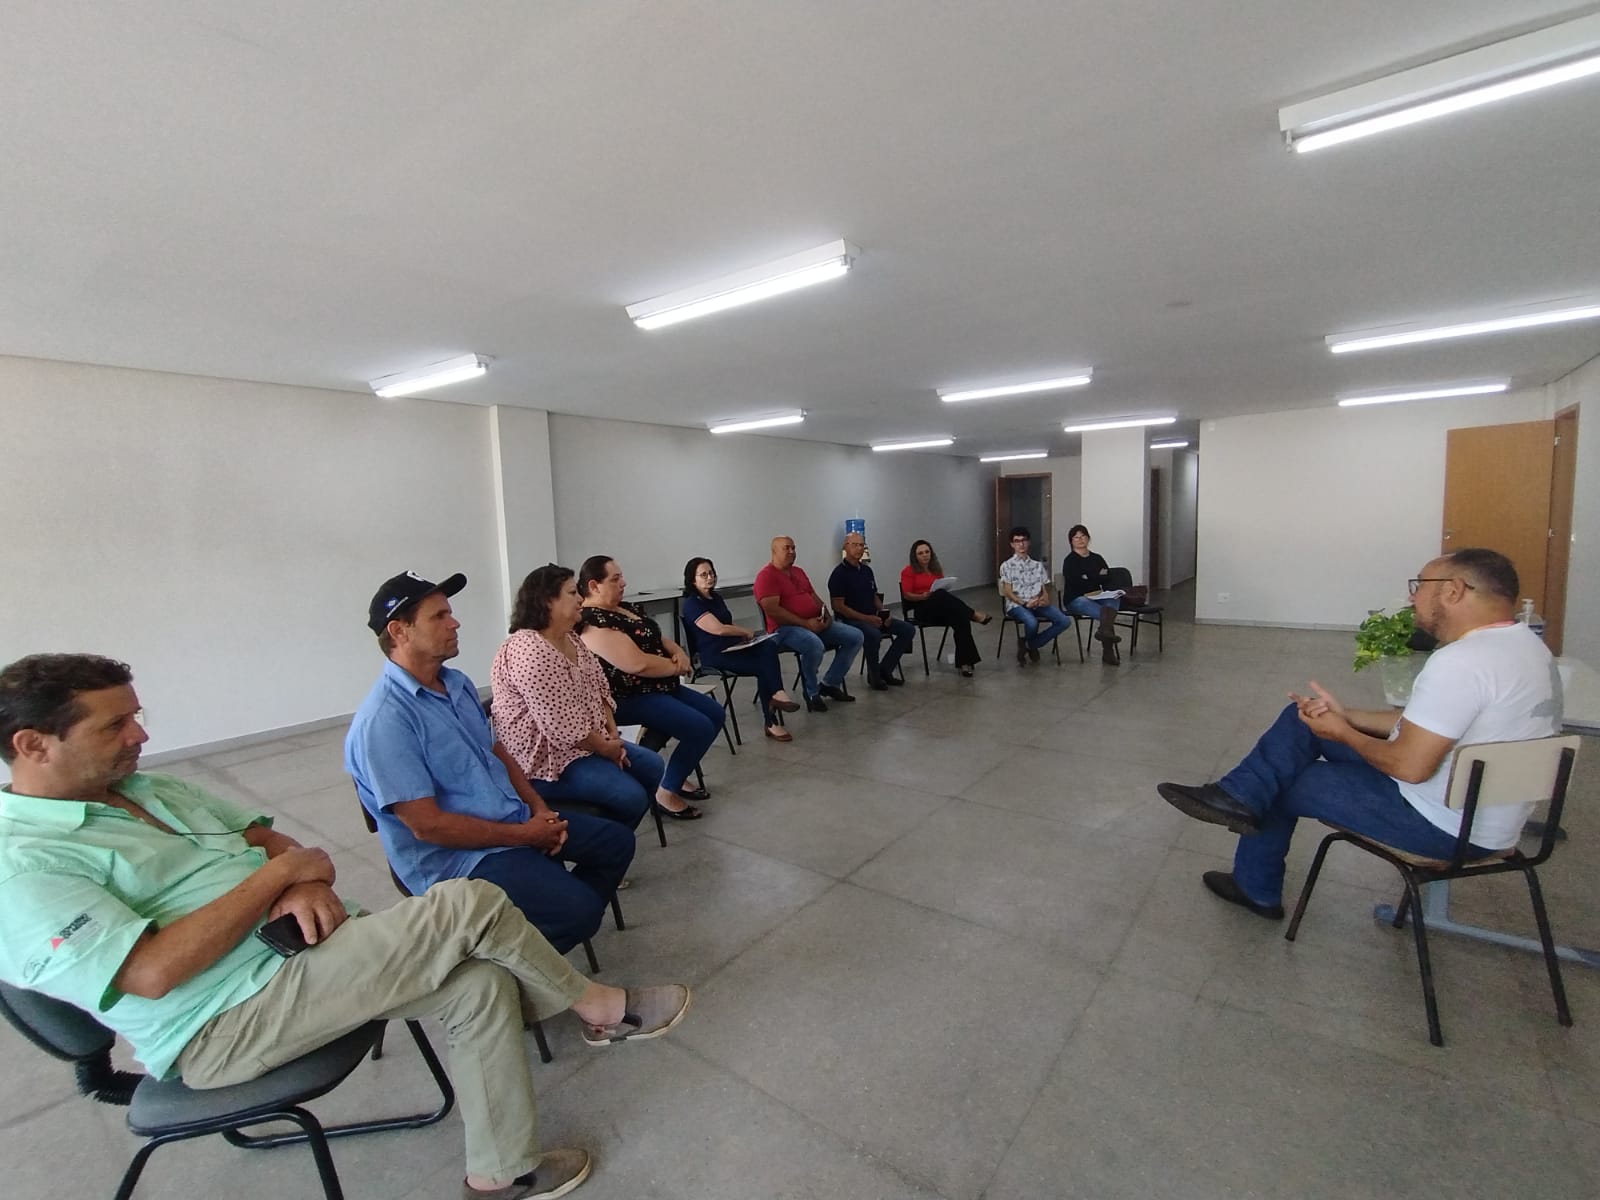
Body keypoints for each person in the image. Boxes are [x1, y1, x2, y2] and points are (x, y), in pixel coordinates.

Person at [0, 652, 692, 1200]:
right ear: (33, 745)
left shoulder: (147, 787)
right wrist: (277, 878)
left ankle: (500, 1174)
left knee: (478, 984)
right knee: (468, 904)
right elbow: (151, 972)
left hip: (301, 957)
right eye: (114, 726)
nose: (141, 734)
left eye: (135, 715)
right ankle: (599, 1009)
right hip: (223, 1021)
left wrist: (299, 879)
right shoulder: (24, 865)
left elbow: (271, 841)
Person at [1158, 548, 1563, 920]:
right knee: (1300, 720)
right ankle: (1236, 795)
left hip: (1445, 826)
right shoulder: (1526, 648)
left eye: (1420, 585)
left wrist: (1343, 733)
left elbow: (1410, 766)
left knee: (1283, 780)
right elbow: (1425, 726)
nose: (1412, 597)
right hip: (1483, 812)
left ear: (1453, 590)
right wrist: (1345, 716)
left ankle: (1254, 885)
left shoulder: (1462, 663)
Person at [346, 570, 635, 957]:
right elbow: (428, 826)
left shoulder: (456, 684)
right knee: (579, 912)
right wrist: (527, 836)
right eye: (439, 616)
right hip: (457, 860)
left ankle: (525, 942)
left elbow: (497, 751)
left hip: (511, 820)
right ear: (399, 631)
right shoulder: (385, 721)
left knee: (617, 843)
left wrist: (539, 810)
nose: (455, 623)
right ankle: (494, 954)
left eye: (450, 612)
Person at [491, 565, 665, 828]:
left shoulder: (570, 638)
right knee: (630, 796)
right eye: (572, 593)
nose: (581, 599)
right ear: (547, 601)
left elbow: (600, 688)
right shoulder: (529, 650)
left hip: (586, 742)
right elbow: (562, 727)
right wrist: (606, 748)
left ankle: (610, 836)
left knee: (652, 766)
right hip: (546, 760)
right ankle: (604, 840)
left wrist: (612, 735)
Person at [577, 555, 725, 818]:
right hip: (629, 696)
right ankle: (664, 792)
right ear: (593, 585)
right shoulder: (592, 622)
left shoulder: (625, 608)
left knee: (715, 713)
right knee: (699, 728)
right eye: (615, 579)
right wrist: (676, 667)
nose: (623, 583)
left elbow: (657, 636)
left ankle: (675, 776)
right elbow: (637, 664)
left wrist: (678, 652)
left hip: (659, 686)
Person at [680, 556, 802, 742]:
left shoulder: (716, 598)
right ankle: (772, 718)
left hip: (732, 647)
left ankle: (777, 695)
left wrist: (745, 636)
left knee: (769, 646)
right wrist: (743, 631)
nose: (709, 577)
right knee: (763, 666)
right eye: (703, 575)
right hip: (714, 655)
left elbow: (727, 623)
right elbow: (718, 629)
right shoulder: (692, 604)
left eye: (711, 573)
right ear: (692, 580)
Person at [753, 535, 864, 711]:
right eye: (787, 548)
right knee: (814, 645)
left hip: (813, 623)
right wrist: (805, 624)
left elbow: (813, 596)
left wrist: (826, 615)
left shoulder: (798, 572)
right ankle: (812, 692)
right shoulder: (766, 576)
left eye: (793, 548)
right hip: (784, 630)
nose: (792, 551)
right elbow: (773, 610)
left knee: (855, 636)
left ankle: (829, 684)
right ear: (774, 551)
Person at [828, 532, 915, 690]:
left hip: (872, 617)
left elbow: (874, 595)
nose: (859, 548)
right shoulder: (839, 574)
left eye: (861, 545)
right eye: (855, 545)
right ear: (845, 547)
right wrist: (866, 619)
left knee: (907, 629)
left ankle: (885, 669)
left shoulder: (867, 571)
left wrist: (884, 612)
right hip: (851, 620)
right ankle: (874, 676)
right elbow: (838, 606)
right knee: (873, 634)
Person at [899, 539, 991, 677]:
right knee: (941, 595)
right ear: (915, 556)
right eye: (920, 553)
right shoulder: (908, 571)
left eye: (927, 552)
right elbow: (907, 595)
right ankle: (973, 614)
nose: (925, 555)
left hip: (939, 608)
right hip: (922, 609)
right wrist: (922, 596)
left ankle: (964, 663)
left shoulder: (935, 569)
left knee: (961, 618)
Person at [997, 526, 1071, 666]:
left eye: (1024, 540)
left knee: (1064, 621)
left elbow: (1044, 587)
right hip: (1017, 605)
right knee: (1031, 622)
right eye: (1017, 541)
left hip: (1037, 602)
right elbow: (1008, 591)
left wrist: (1045, 598)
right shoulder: (1006, 566)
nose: (1021, 544)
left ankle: (1029, 644)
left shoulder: (1037, 565)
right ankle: (1032, 646)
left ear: (1028, 542)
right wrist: (1024, 603)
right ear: (1012, 544)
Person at [1060, 524, 1123, 665]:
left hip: (1097, 595)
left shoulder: (1097, 558)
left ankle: (1103, 631)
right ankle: (1108, 651)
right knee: (1106, 613)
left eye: (1083, 536)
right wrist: (1096, 577)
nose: (1080, 539)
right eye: (1076, 537)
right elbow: (1076, 583)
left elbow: (1107, 577)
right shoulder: (1070, 561)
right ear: (1071, 541)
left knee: (1113, 600)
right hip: (1076, 598)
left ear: (1088, 538)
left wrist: (1088, 577)